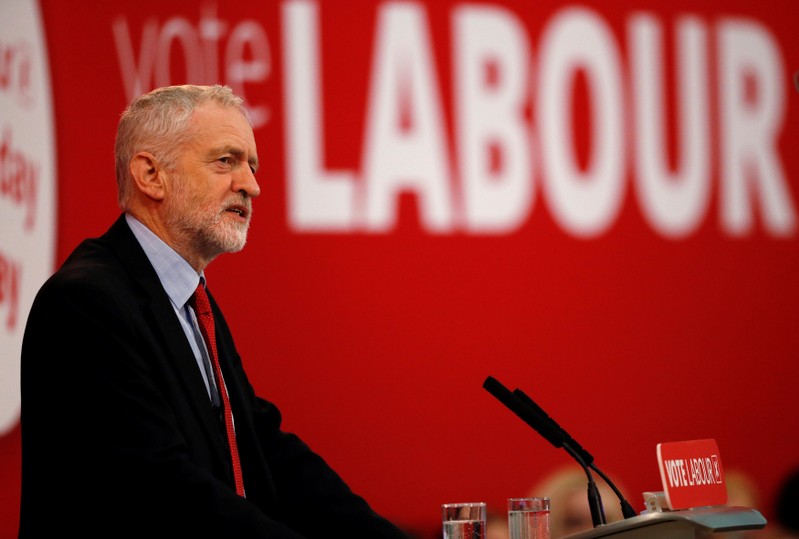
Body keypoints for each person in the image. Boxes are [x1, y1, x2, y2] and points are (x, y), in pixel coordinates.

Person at [19, 84, 409, 538]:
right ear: (151, 175)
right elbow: (162, 488)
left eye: (252, 166)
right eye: (226, 161)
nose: (252, 186)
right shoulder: (86, 305)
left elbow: (261, 448)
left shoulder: (189, 299)